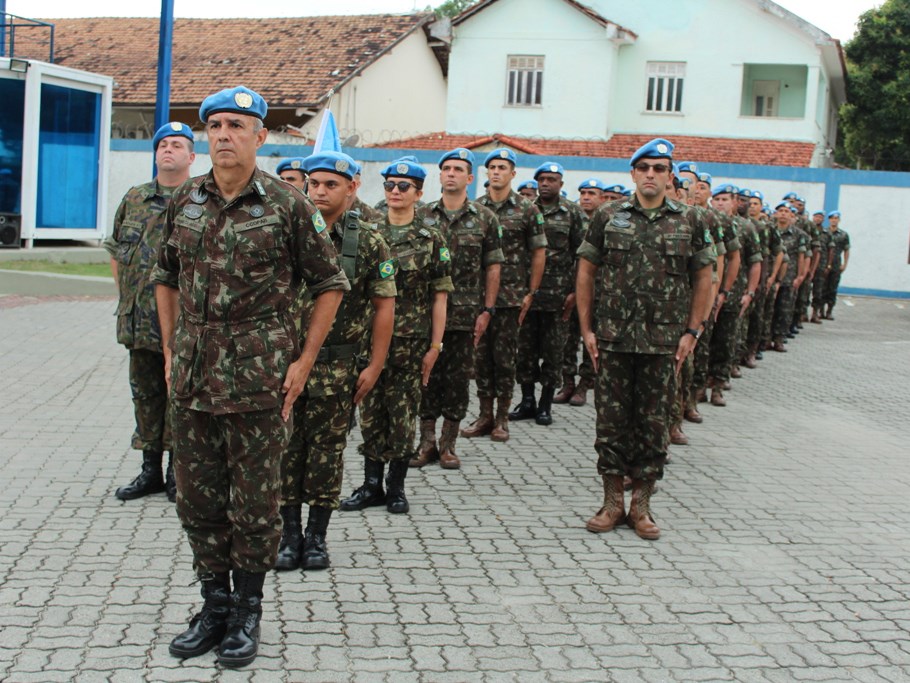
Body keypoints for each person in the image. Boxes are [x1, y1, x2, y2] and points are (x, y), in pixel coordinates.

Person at [152, 86, 349, 668]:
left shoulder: (289, 204)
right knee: (198, 499)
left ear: (261, 136)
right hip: (191, 376)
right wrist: (168, 347)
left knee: (256, 503)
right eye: (214, 124)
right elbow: (164, 274)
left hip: (260, 379)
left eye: (237, 125)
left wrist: (305, 359)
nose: (223, 134)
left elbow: (329, 283)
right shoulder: (186, 198)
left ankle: (248, 612)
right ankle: (213, 605)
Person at [576, 138, 715, 540]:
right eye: (644, 168)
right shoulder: (607, 215)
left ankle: (642, 507)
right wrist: (587, 329)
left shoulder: (690, 220)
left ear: (670, 175)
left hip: (664, 342)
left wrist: (693, 331)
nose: (651, 174)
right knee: (612, 423)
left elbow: (703, 276)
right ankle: (611, 503)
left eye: (659, 168)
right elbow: (586, 271)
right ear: (633, 174)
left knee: (653, 424)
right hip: (614, 339)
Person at [274, 151, 396, 572]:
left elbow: (384, 306)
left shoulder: (368, 240)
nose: (320, 192)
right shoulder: (288, 231)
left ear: (352, 187)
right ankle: (288, 536)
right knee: (286, 451)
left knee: (327, 453)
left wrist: (375, 365)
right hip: (287, 365)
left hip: (339, 367)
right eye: (314, 183)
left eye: (331, 185)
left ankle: (316, 537)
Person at [340, 157, 452, 511]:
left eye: (404, 187)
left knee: (403, 415)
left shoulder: (430, 237)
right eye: (389, 185)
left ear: (418, 193)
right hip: (370, 342)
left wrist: (436, 345)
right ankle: (371, 484)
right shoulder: (370, 234)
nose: (395, 192)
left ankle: (396, 486)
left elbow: (440, 295)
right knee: (372, 412)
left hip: (410, 343)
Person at [104, 122, 195, 503]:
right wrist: (127, 298)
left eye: (177, 145)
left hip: (183, 323)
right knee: (145, 394)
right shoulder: (135, 198)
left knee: (180, 395)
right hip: (140, 321)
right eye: (163, 145)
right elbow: (116, 252)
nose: (168, 150)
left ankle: (178, 473)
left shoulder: (198, 201)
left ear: (191, 157)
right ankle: (149, 470)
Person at [411, 148, 503, 470]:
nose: (451, 173)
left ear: (470, 177)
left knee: (458, 380)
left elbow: (492, 267)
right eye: (446, 168)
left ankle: (448, 444)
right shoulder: (420, 215)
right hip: (423, 314)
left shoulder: (485, 218)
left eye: (458, 169)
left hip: (465, 314)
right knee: (425, 378)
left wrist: (487, 310)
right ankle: (426, 443)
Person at [461, 149, 546, 442]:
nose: (496, 172)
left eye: (503, 167)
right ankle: (484, 414)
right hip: (478, 296)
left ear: (513, 173)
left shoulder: (527, 209)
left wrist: (531, 292)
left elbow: (538, 252)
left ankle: (501, 418)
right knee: (482, 359)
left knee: (506, 359)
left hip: (511, 296)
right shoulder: (475, 209)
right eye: (492, 167)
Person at [510, 162, 586, 425]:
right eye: (541, 179)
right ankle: (527, 400)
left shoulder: (573, 213)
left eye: (551, 179)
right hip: (527, 296)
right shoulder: (525, 210)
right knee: (525, 352)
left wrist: (576, 292)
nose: (545, 183)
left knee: (554, 353)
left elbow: (582, 256)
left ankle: (545, 404)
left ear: (561, 184)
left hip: (558, 297)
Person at [556, 177, 608, 406]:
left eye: (592, 193)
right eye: (583, 192)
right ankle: (567, 382)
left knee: (591, 338)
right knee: (567, 338)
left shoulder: (609, 221)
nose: (586, 197)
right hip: (570, 289)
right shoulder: (572, 219)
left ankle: (584, 384)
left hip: (597, 292)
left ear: (602, 198)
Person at [822, 211, 850, 320]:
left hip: (836, 264)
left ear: (839, 220)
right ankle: (820, 310)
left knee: (832, 288)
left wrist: (845, 264)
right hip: (824, 263)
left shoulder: (843, 234)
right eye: (832, 218)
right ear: (829, 220)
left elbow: (846, 250)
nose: (834, 220)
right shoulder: (824, 232)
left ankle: (829, 311)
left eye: (836, 218)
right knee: (822, 287)